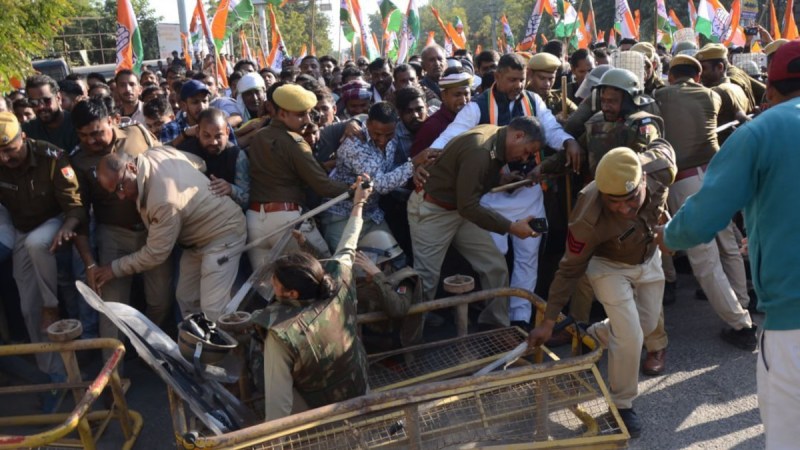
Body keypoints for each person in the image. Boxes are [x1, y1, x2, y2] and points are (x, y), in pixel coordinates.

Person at [657, 41, 800, 449]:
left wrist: (668, 238)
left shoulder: (762, 131)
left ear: (769, 92)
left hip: (793, 321)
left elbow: (700, 219)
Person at [529, 141, 677, 438]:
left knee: (646, 325)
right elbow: (569, 268)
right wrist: (549, 320)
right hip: (608, 266)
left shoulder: (661, 168)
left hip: (649, 258)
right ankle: (622, 405)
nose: (623, 208)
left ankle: (593, 334)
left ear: (643, 179)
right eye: (614, 202)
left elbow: (664, 145)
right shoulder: (588, 215)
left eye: (631, 198)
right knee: (630, 334)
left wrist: (666, 223)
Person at [654, 54, 757, 351]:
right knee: (728, 244)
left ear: (671, 76)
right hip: (714, 176)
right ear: (697, 77)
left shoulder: (660, 96)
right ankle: (742, 304)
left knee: (704, 259)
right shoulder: (711, 95)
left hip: (683, 181)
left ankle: (741, 324)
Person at [252, 176, 372, 421]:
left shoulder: (280, 332)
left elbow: (279, 406)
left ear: (292, 294)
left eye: (275, 284)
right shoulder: (339, 283)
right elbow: (348, 243)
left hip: (320, 414)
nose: (271, 286)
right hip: (359, 389)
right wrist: (359, 203)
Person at [409, 117, 546, 330]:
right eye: (527, 151)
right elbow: (469, 206)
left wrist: (500, 180)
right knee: (425, 281)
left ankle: (496, 329)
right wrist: (511, 227)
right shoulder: (481, 149)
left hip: (459, 211)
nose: (525, 157)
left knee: (495, 267)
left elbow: (473, 181)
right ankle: (411, 345)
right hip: (433, 212)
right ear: (518, 136)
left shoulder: (496, 138)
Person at [92, 147, 246, 321]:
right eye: (114, 192)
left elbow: (155, 254)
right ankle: (198, 345)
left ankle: (231, 347)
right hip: (197, 240)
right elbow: (199, 162)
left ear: (132, 168)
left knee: (213, 308)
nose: (120, 196)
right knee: (186, 298)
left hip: (224, 233)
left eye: (121, 186)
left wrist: (113, 269)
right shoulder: (154, 153)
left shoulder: (162, 201)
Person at [69, 98, 173, 347]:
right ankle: (112, 374)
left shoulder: (138, 133)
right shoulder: (79, 161)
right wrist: (91, 264)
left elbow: (165, 161)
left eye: (96, 133)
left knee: (160, 299)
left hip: (154, 231)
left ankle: (151, 354)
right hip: (114, 236)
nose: (90, 141)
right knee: (113, 310)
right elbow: (79, 213)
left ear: (112, 121)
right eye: (83, 136)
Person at [0, 112, 85, 377]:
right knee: (27, 307)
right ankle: (51, 372)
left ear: (23, 138)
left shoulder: (52, 157)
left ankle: (51, 305)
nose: (4, 159)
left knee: (38, 243)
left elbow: (75, 206)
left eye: (10, 150)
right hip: (21, 229)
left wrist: (67, 229)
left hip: (55, 221)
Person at [247, 84, 350, 268]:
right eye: (301, 114)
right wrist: (354, 189)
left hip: (255, 221)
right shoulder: (295, 142)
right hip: (287, 221)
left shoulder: (259, 136)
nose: (308, 120)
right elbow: (323, 186)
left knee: (265, 290)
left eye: (309, 114)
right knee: (323, 268)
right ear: (282, 114)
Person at [321, 102, 430, 249]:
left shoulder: (393, 139)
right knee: (343, 266)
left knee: (394, 263)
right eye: (377, 134)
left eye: (388, 134)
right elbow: (379, 185)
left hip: (372, 215)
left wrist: (412, 171)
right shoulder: (354, 144)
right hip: (341, 216)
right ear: (368, 124)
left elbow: (388, 170)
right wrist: (414, 164)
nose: (382, 140)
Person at [183, 108, 249, 209]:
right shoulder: (185, 153)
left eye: (218, 136)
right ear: (197, 132)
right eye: (206, 136)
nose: (213, 142)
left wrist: (231, 189)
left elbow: (247, 199)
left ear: (227, 132)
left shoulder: (236, 156)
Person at [695, 44, 751, 143]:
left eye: (704, 69)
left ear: (720, 67)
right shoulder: (737, 87)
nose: (700, 74)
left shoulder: (716, 92)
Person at [411, 68, 472, 156]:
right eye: (457, 95)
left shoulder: (474, 119)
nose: (463, 100)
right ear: (443, 96)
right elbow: (416, 162)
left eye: (466, 94)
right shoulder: (432, 126)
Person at [23, 75, 80, 152]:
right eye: (34, 102)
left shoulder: (77, 124)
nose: (41, 107)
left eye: (46, 100)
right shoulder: (28, 130)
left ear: (58, 98)